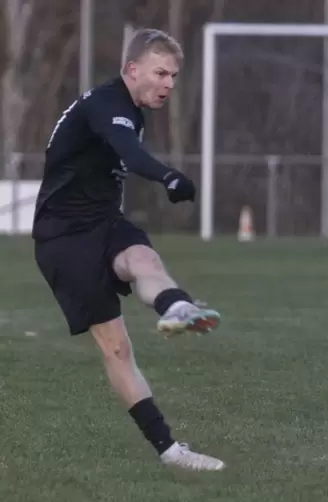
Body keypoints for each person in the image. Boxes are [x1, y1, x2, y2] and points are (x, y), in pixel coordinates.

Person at [32, 28, 225, 471]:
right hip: (63, 241)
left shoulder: (131, 107)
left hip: (103, 223)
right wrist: (170, 176)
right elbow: (130, 153)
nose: (168, 84)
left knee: (145, 259)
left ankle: (176, 307)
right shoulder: (107, 104)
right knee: (116, 348)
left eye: (174, 76)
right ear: (132, 69)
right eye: (160, 72)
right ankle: (169, 450)